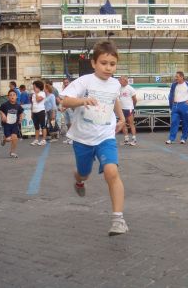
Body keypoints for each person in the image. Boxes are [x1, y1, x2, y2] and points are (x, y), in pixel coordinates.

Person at [60, 40, 128, 236]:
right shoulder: (84, 82)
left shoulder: (115, 84)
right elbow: (65, 100)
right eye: (104, 63)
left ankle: (118, 219)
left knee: (111, 172)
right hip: (83, 138)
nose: (108, 68)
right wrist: (83, 100)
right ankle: (79, 180)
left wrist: (122, 117)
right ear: (93, 63)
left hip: (106, 136)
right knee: (84, 172)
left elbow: (114, 99)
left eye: (112, 64)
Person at [166, 71, 188, 144]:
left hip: (184, 105)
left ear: (182, 77)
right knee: (173, 122)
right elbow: (171, 94)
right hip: (175, 105)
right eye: (175, 77)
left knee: (185, 122)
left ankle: (183, 138)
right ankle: (171, 138)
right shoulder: (174, 85)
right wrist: (171, 104)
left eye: (177, 77)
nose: (175, 78)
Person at [0, 89, 24, 158]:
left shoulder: (18, 106)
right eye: (10, 95)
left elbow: (21, 112)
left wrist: (21, 118)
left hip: (14, 124)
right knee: (8, 139)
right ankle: (4, 139)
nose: (12, 96)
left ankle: (12, 152)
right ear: (8, 97)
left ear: (16, 97)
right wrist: (3, 115)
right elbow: (0, 110)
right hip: (6, 124)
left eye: (14, 95)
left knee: (15, 138)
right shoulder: (5, 105)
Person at [118, 76, 137, 146]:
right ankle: (126, 139)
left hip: (129, 109)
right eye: (119, 80)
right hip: (121, 109)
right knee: (123, 124)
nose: (119, 81)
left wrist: (132, 107)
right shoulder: (119, 88)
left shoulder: (130, 89)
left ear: (125, 81)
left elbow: (135, 100)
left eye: (120, 80)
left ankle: (134, 140)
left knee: (131, 124)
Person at [30, 80, 47, 146]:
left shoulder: (42, 93)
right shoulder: (33, 94)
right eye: (33, 87)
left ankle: (43, 140)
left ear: (38, 87)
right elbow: (33, 103)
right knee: (36, 126)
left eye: (34, 86)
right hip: (34, 112)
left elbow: (38, 100)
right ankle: (36, 139)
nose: (33, 88)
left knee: (43, 126)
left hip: (41, 111)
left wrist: (37, 93)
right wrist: (31, 113)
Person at [60, 78, 74, 144]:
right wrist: (62, 107)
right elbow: (62, 99)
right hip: (65, 108)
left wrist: (66, 107)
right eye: (64, 83)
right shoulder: (64, 90)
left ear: (69, 82)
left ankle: (73, 139)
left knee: (71, 123)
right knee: (67, 123)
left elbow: (72, 100)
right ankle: (69, 138)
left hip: (70, 108)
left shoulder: (72, 90)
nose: (66, 84)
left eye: (67, 82)